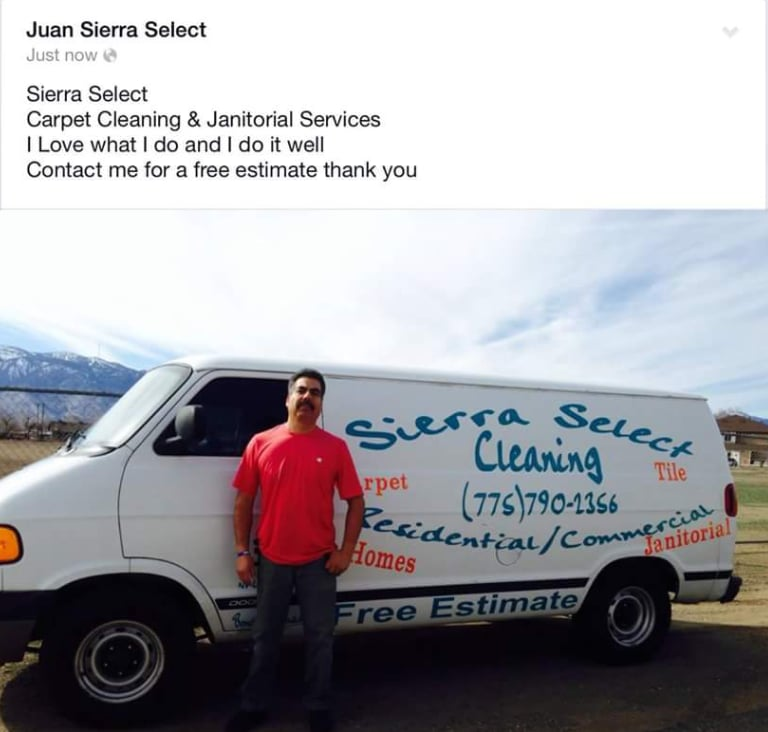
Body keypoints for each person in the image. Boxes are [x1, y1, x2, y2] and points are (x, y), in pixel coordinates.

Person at [225, 368, 365, 732]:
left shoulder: (335, 448)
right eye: (301, 391)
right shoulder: (261, 442)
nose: (307, 397)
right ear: (287, 399)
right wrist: (242, 551)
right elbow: (243, 501)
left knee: (320, 638)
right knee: (265, 637)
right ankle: (253, 706)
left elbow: (356, 502)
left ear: (321, 403)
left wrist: (346, 551)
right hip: (272, 558)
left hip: (319, 562)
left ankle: (318, 707)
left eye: (315, 393)